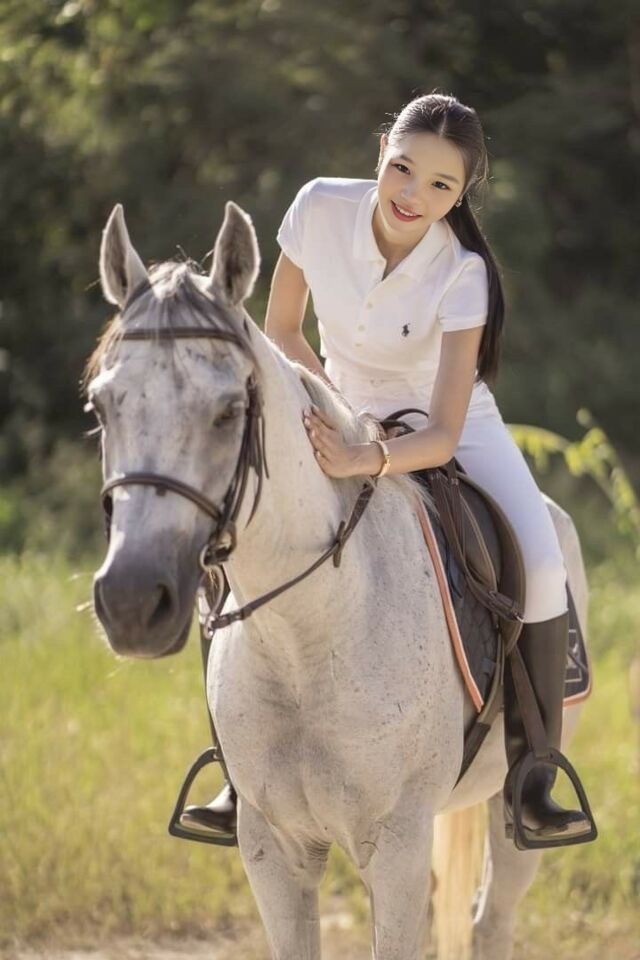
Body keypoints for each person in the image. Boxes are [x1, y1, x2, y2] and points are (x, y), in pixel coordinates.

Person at [181, 90, 593, 847]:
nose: (413, 195)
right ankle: (236, 772)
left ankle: (533, 774)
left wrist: (367, 455)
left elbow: (441, 431)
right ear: (381, 153)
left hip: (450, 424)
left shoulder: (463, 272)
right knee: (229, 535)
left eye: (440, 185)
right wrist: (338, 417)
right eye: (403, 169)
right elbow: (281, 332)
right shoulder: (317, 207)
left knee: (540, 559)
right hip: (332, 398)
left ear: (460, 195)